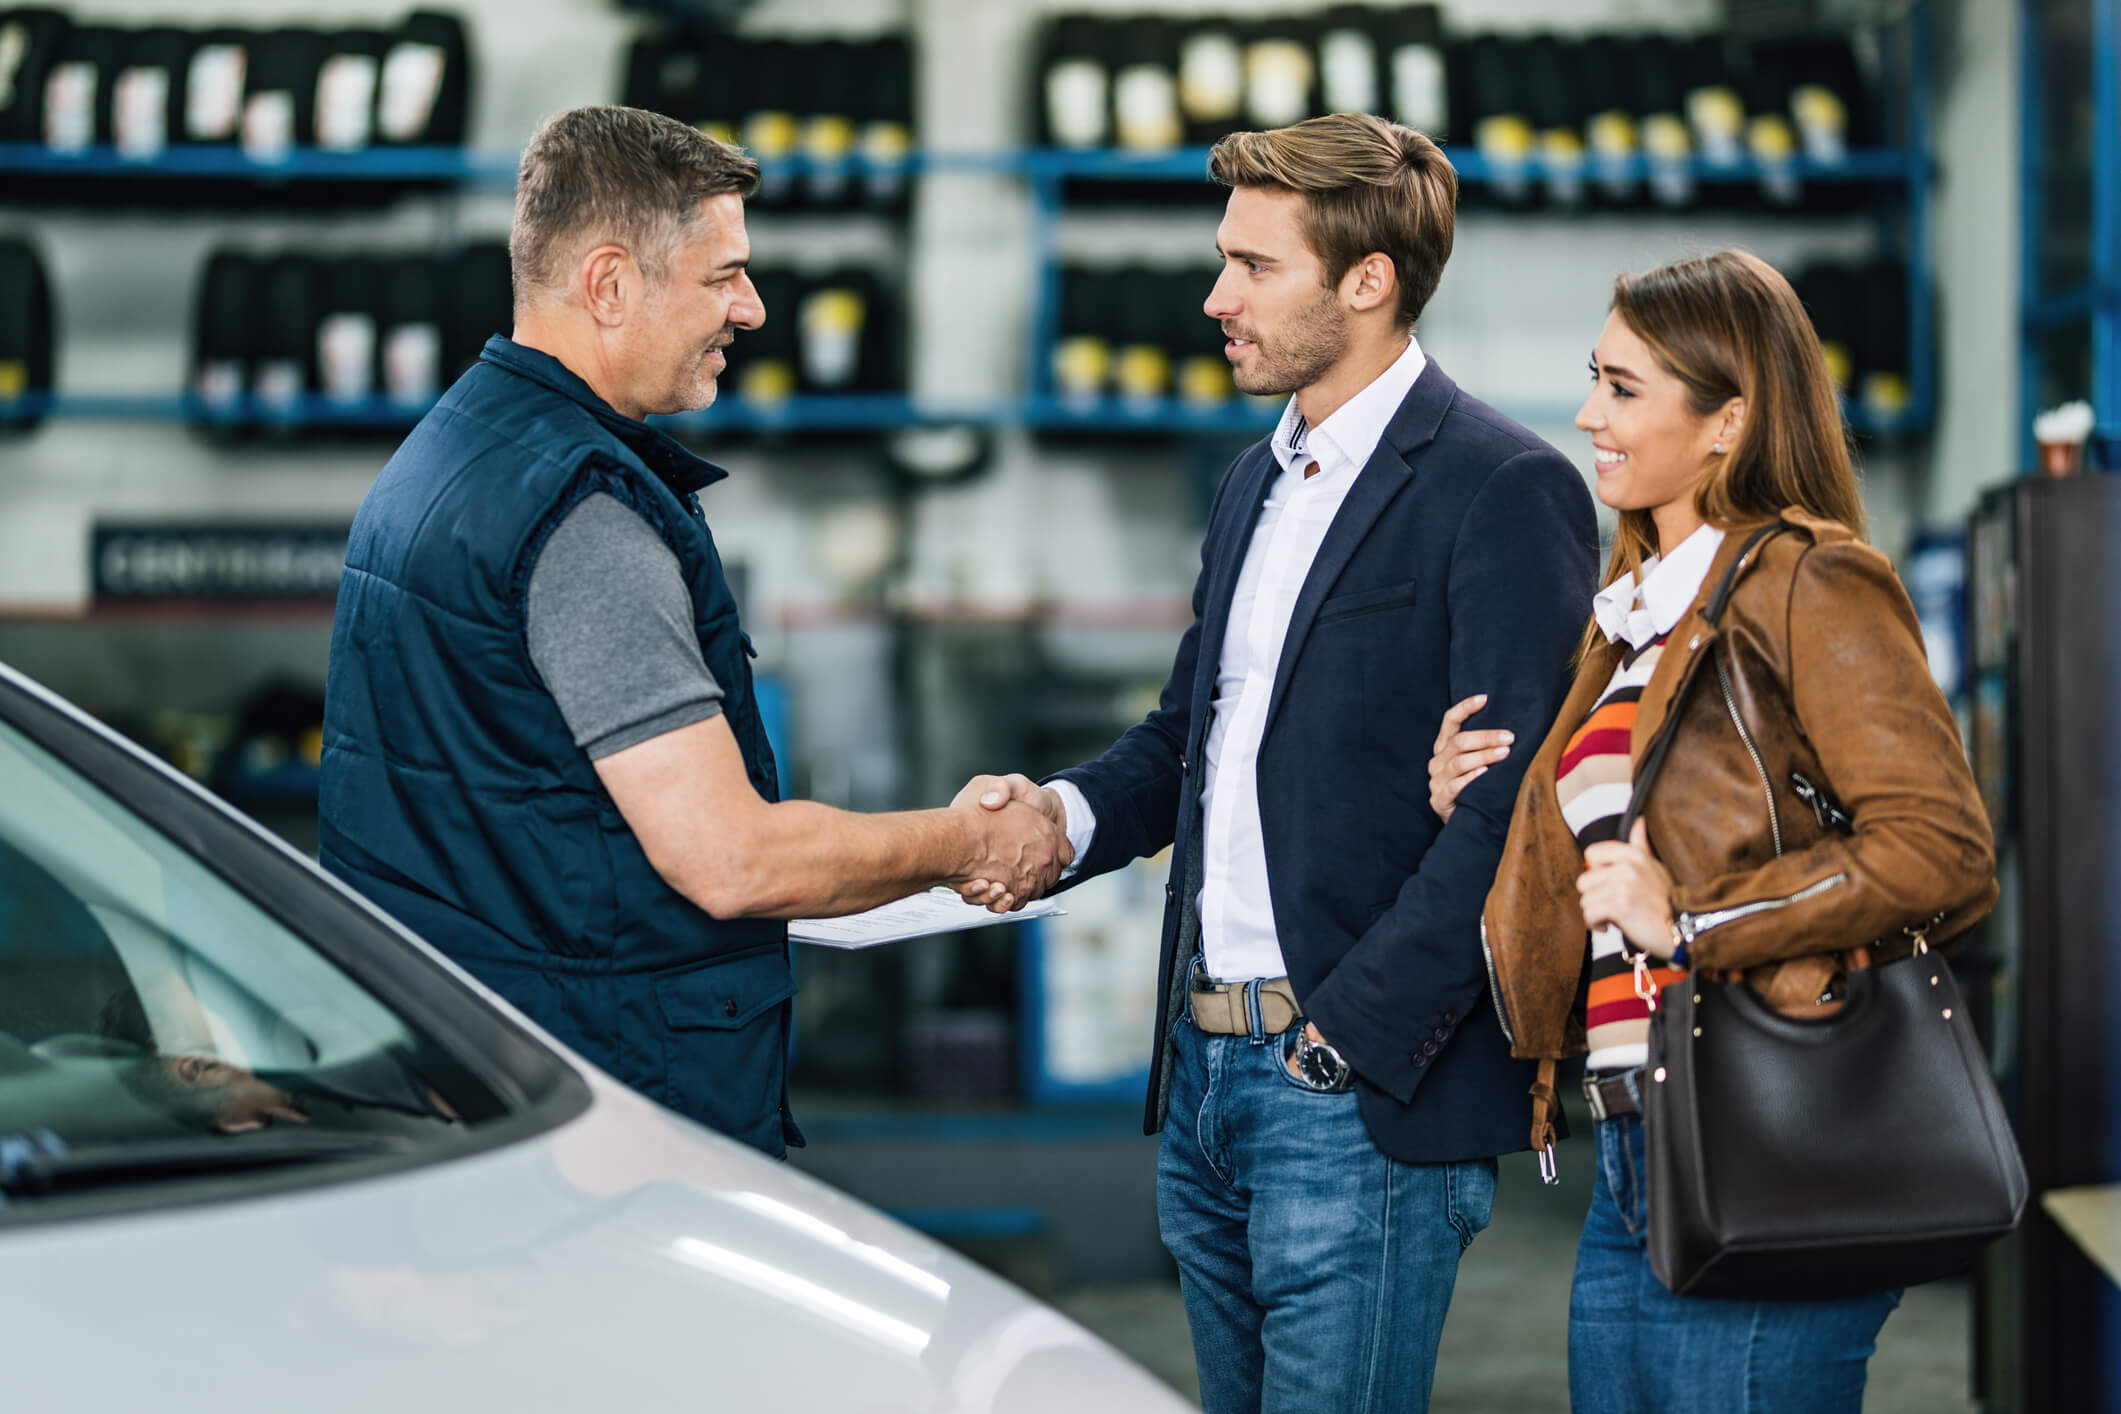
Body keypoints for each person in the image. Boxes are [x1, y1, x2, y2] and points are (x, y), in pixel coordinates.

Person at [959, 114, 1598, 1413]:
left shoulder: (1498, 486)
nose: (1215, 296)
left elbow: (1511, 817)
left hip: (1346, 1089)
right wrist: (1057, 818)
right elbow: (1188, 740)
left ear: (1366, 281)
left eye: (1253, 265)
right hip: (1200, 1074)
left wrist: (1343, 1037)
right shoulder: (1257, 482)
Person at [319, 106, 1068, 1159]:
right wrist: (968, 843)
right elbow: (732, 861)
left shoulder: (441, 456)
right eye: (724, 276)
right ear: (611, 284)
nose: (752, 310)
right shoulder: (581, 521)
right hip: (600, 1114)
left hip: (471, 1067)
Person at [1433, 249, 1998, 1413]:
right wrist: (1486, 805)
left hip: (1767, 1125)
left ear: (1729, 418)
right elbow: (1618, 866)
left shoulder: (1808, 580)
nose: (1588, 411)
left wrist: (1694, 920)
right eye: (1596, 376)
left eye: (1626, 387)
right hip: (1636, 1140)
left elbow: (1941, 849)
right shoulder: (1631, 620)